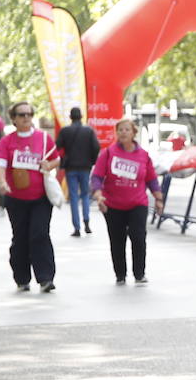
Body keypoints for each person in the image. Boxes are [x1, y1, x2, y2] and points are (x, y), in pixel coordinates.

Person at [0, 102, 58, 292]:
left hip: (40, 197)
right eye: (21, 114)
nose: (26, 117)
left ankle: (45, 278)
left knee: (40, 234)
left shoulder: (44, 138)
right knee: (20, 237)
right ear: (13, 118)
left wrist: (49, 165)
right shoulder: (7, 142)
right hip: (16, 199)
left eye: (29, 114)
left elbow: (56, 158)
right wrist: (2, 182)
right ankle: (22, 278)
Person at [91, 118, 163, 284]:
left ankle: (139, 273)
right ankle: (120, 275)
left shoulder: (143, 155)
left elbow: (151, 179)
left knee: (138, 237)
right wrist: (98, 194)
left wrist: (158, 198)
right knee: (117, 240)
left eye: (127, 129)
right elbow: (97, 176)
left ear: (133, 133)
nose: (123, 132)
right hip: (113, 205)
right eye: (120, 130)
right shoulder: (108, 153)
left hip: (137, 203)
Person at [55, 106, 101, 237]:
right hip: (85, 167)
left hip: (71, 167)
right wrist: (92, 160)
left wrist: (64, 158)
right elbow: (96, 147)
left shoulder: (65, 131)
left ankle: (76, 227)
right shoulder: (89, 131)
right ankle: (86, 221)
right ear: (81, 117)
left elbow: (57, 146)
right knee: (85, 194)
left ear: (70, 117)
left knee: (74, 197)